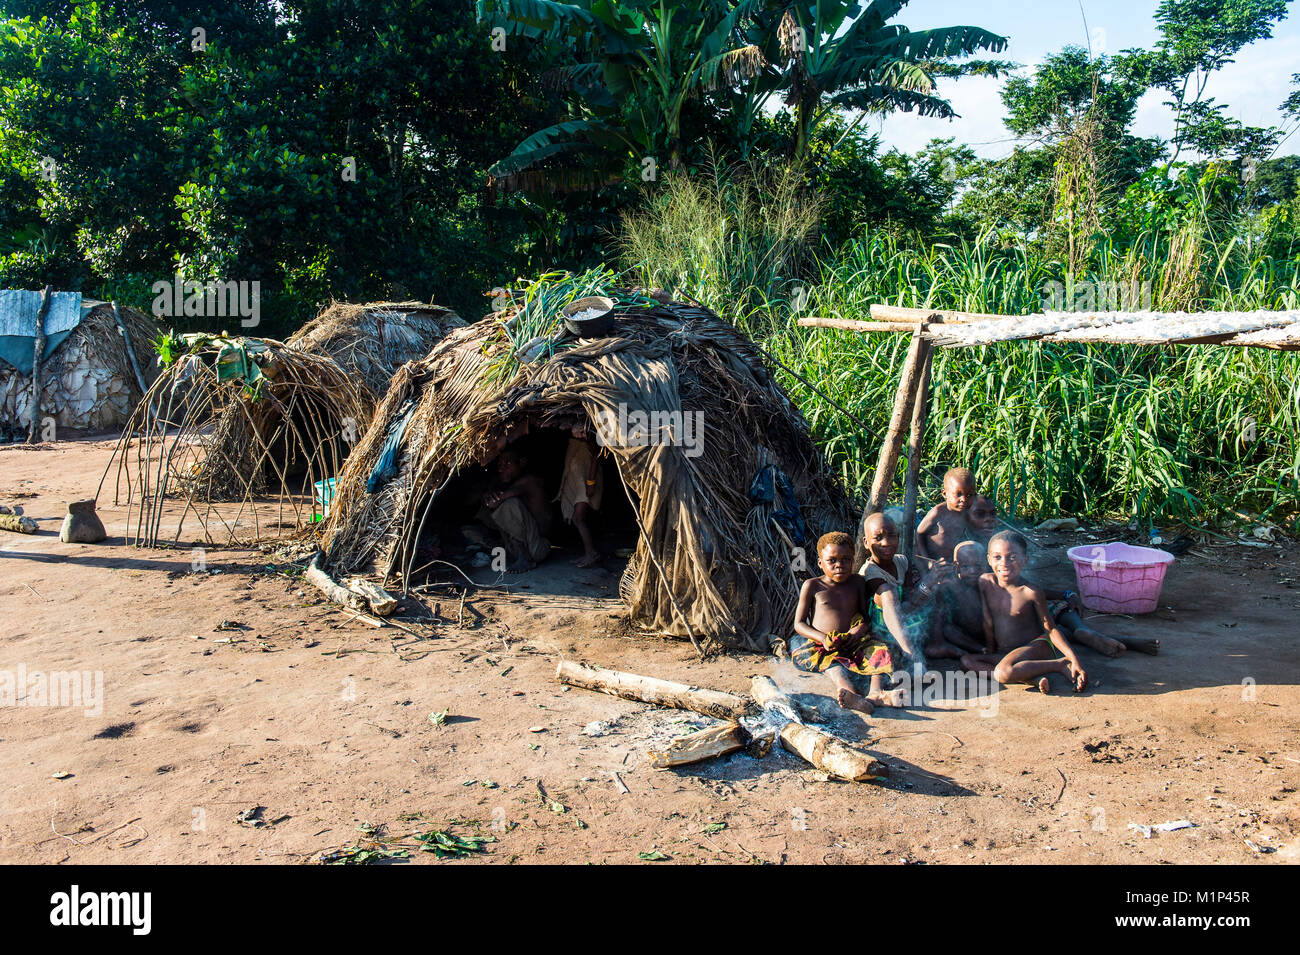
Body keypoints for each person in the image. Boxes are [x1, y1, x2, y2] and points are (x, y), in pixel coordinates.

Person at [960, 530, 1087, 693]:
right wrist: (991, 649)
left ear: (1025, 560)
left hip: (1035, 645)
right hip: (1007, 652)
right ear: (989, 560)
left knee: (1002, 672)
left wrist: (1073, 658)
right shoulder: (985, 581)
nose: (1004, 563)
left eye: (1012, 557)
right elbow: (987, 620)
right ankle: (1028, 677)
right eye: (997, 557)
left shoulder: (1030, 591)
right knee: (967, 661)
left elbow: (1051, 629)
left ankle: (1059, 664)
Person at [791, 532, 903, 715]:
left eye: (845, 560)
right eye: (832, 560)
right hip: (824, 645)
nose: (839, 565)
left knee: (880, 651)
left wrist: (859, 631)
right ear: (820, 563)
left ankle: (876, 693)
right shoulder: (812, 586)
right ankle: (851, 695)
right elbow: (799, 624)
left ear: (853, 560)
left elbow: (864, 616)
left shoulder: (858, 582)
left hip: (854, 641)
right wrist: (823, 638)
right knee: (833, 666)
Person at [478, 449, 552, 572]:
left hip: (537, 548)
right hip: (517, 549)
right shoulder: (508, 484)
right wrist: (487, 495)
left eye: (507, 464)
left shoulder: (530, 481)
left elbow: (494, 502)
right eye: (500, 465)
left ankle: (525, 559)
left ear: (522, 462)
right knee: (484, 515)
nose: (502, 469)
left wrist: (491, 497)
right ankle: (518, 555)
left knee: (510, 504)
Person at [925, 540, 989, 658]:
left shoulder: (990, 582)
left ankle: (985, 649)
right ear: (956, 567)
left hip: (989, 633)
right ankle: (938, 644)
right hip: (964, 635)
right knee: (948, 629)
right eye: (965, 566)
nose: (973, 572)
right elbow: (938, 612)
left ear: (986, 563)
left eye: (978, 566)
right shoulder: (952, 583)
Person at [557, 422, 604, 568]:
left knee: (578, 518)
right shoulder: (576, 435)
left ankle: (591, 554)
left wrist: (590, 482)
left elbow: (596, 455)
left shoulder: (587, 436)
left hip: (586, 480)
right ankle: (589, 553)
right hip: (578, 479)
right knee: (578, 518)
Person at [916, 467, 977, 565]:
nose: (964, 499)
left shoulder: (966, 513)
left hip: (951, 562)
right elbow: (919, 534)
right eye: (958, 494)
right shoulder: (938, 512)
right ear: (945, 494)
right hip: (932, 560)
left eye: (969, 495)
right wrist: (927, 560)